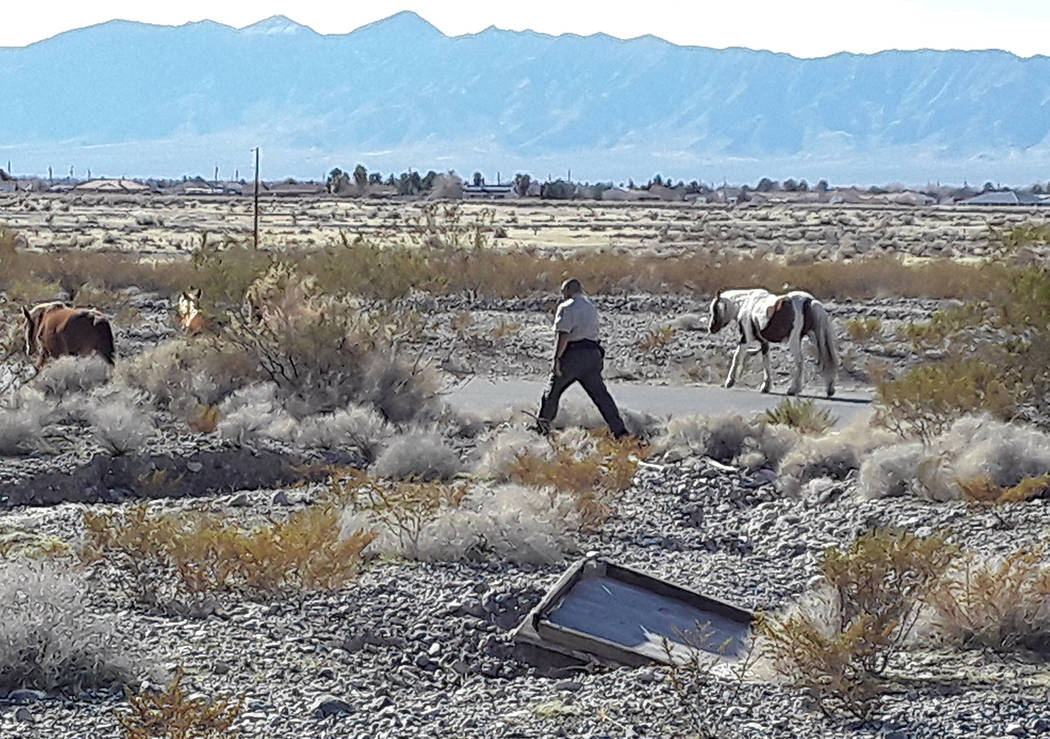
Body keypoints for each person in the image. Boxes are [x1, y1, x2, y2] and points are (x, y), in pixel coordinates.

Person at [536, 278, 628, 439]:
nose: (562, 295)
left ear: (568, 291)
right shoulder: (590, 307)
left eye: (563, 292)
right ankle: (620, 432)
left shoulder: (567, 306)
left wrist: (557, 359)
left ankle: (542, 430)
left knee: (552, 392)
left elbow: (563, 334)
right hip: (593, 354)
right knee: (601, 395)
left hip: (573, 355)